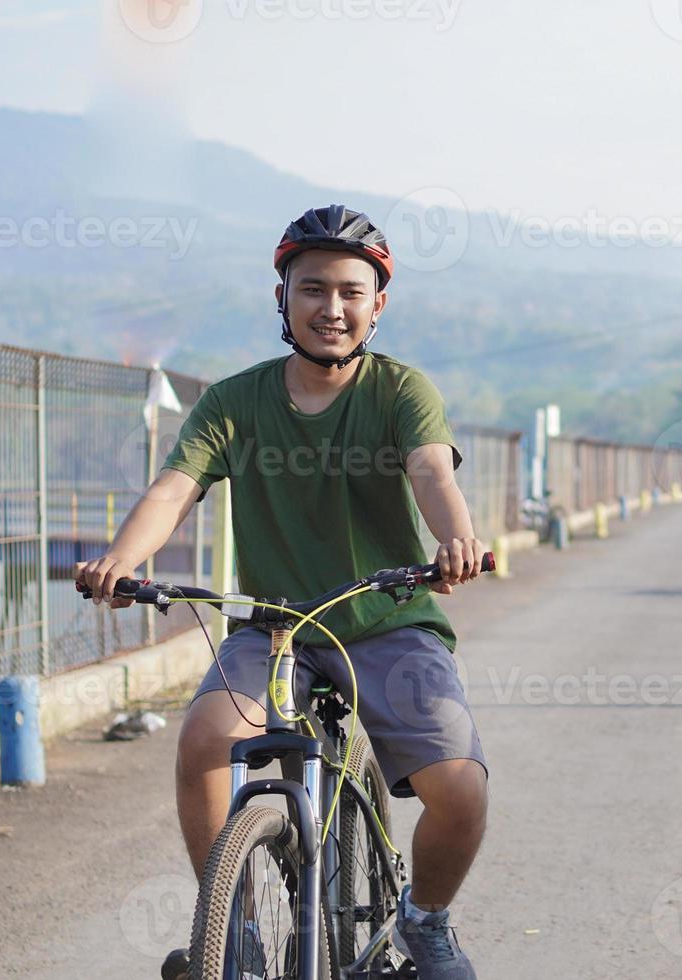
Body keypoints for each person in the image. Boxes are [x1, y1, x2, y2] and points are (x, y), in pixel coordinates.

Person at [74, 205, 490, 980]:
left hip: (389, 619)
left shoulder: (401, 390)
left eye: (350, 292)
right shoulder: (234, 403)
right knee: (205, 740)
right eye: (312, 289)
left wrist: (454, 539)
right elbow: (174, 489)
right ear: (282, 298)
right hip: (274, 630)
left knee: (461, 791)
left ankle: (425, 921)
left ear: (377, 307)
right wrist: (121, 562)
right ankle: (231, 927)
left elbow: (431, 469)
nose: (331, 307)